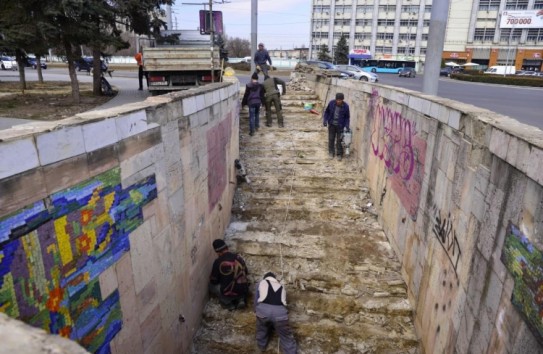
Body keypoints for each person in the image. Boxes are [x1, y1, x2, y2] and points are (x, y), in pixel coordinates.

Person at [254, 272, 297, 354]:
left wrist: (256, 311)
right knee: (286, 336)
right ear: (274, 278)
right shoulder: (281, 287)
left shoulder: (262, 283)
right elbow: (284, 304)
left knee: (262, 329)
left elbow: (256, 299)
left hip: (263, 311)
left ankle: (261, 348)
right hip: (280, 313)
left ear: (265, 278)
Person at [209, 239, 249, 310]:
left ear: (217, 252)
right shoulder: (238, 257)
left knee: (211, 286)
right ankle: (241, 299)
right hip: (243, 290)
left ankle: (228, 303)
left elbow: (213, 281)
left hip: (228, 292)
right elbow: (246, 272)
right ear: (227, 248)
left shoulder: (218, 262)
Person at [323, 92, 350, 161]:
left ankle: (339, 154)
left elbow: (347, 117)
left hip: (340, 126)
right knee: (331, 139)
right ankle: (331, 153)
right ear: (336, 99)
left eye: (340, 100)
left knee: (339, 140)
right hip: (332, 124)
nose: (338, 101)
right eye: (337, 100)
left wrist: (347, 126)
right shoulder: (331, 103)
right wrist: (325, 120)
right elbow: (327, 112)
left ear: (342, 100)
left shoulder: (346, 106)